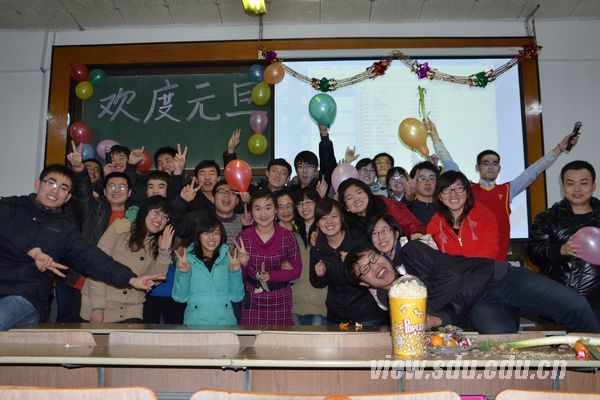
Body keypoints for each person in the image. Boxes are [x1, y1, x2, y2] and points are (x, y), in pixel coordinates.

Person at [0, 164, 163, 331]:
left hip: (25, 295)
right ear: (38, 184)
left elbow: (92, 258)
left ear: (68, 197)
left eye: (63, 188)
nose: (55, 191)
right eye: (51, 183)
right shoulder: (10, 206)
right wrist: (31, 250)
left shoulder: (64, 229)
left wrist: (131, 279)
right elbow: (5, 229)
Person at [344, 240, 600, 334]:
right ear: (364, 284)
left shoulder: (411, 251)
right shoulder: (395, 304)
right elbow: (452, 315)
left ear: (383, 254)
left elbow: (451, 276)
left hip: (499, 278)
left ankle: (594, 366)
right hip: (480, 305)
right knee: (498, 340)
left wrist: (425, 311)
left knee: (575, 304)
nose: (375, 267)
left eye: (373, 258)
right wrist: (435, 320)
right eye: (365, 270)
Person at [435, 118, 580, 261]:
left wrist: (559, 148)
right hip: (472, 259)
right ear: (478, 167)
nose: (491, 167)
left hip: (499, 258)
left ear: (499, 168)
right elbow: (450, 164)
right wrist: (435, 137)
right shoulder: (467, 189)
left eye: (495, 163)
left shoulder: (507, 190)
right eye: (486, 163)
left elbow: (533, 171)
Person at [80, 196, 174, 323]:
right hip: (101, 303)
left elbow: (155, 280)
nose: (159, 219)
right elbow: (97, 266)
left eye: (165, 217)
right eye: (156, 212)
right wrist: (97, 307)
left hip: (131, 307)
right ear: (145, 211)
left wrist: (163, 252)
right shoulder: (121, 228)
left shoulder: (158, 242)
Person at [528, 160, 600, 317]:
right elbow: (534, 254)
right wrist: (561, 250)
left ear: (593, 186)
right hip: (557, 302)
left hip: (597, 305)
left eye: (583, 183)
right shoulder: (547, 218)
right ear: (563, 187)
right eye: (570, 183)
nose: (577, 189)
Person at [309, 198, 384, 325]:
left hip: (367, 314)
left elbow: (375, 277)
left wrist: (354, 264)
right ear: (317, 223)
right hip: (336, 317)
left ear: (341, 218)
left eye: (334, 216)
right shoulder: (317, 247)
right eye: (323, 218)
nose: (329, 222)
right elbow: (317, 284)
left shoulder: (358, 239)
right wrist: (320, 274)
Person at [235, 189, 302, 326]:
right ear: (251, 212)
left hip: (281, 298)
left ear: (275, 210)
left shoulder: (287, 237)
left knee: (280, 339)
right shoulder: (243, 238)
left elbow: (296, 271)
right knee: (251, 339)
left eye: (268, 208)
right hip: (252, 299)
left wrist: (271, 276)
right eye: (257, 209)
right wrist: (244, 264)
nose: (263, 214)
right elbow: (237, 278)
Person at [172, 213, 244, 325]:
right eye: (206, 233)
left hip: (225, 323)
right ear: (198, 236)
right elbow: (180, 297)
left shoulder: (229, 259)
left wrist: (234, 272)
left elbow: (237, 297)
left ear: (221, 236)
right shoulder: (186, 260)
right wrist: (184, 273)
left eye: (216, 233)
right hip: (195, 323)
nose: (212, 237)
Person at [427, 170, 501, 260]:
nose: (453, 194)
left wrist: (469, 268)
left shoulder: (485, 216)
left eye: (459, 188)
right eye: (446, 190)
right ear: (439, 197)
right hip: (449, 269)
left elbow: (490, 250)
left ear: (467, 193)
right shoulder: (434, 225)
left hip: (483, 267)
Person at [337, 178, 425, 239]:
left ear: (367, 192)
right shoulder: (346, 226)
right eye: (349, 198)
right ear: (346, 207)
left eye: (359, 192)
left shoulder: (384, 204)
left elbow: (411, 225)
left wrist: (416, 233)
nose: (356, 199)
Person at [291, 187, 327, 326]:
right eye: (300, 204)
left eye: (308, 202)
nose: (304, 207)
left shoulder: (327, 230)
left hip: (321, 304)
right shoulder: (293, 234)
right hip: (296, 304)